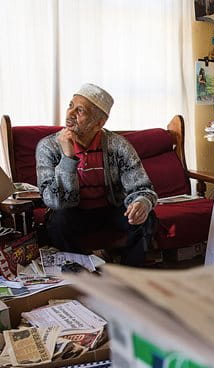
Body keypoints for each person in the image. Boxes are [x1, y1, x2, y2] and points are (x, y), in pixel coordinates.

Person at [36, 83, 157, 266]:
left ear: (99, 123)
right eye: (70, 106)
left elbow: (142, 188)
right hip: (73, 212)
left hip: (110, 209)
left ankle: (130, 276)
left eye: (80, 110)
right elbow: (54, 202)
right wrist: (68, 159)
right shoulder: (49, 147)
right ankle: (82, 273)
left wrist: (142, 202)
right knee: (57, 222)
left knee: (145, 217)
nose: (70, 114)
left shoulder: (118, 145)